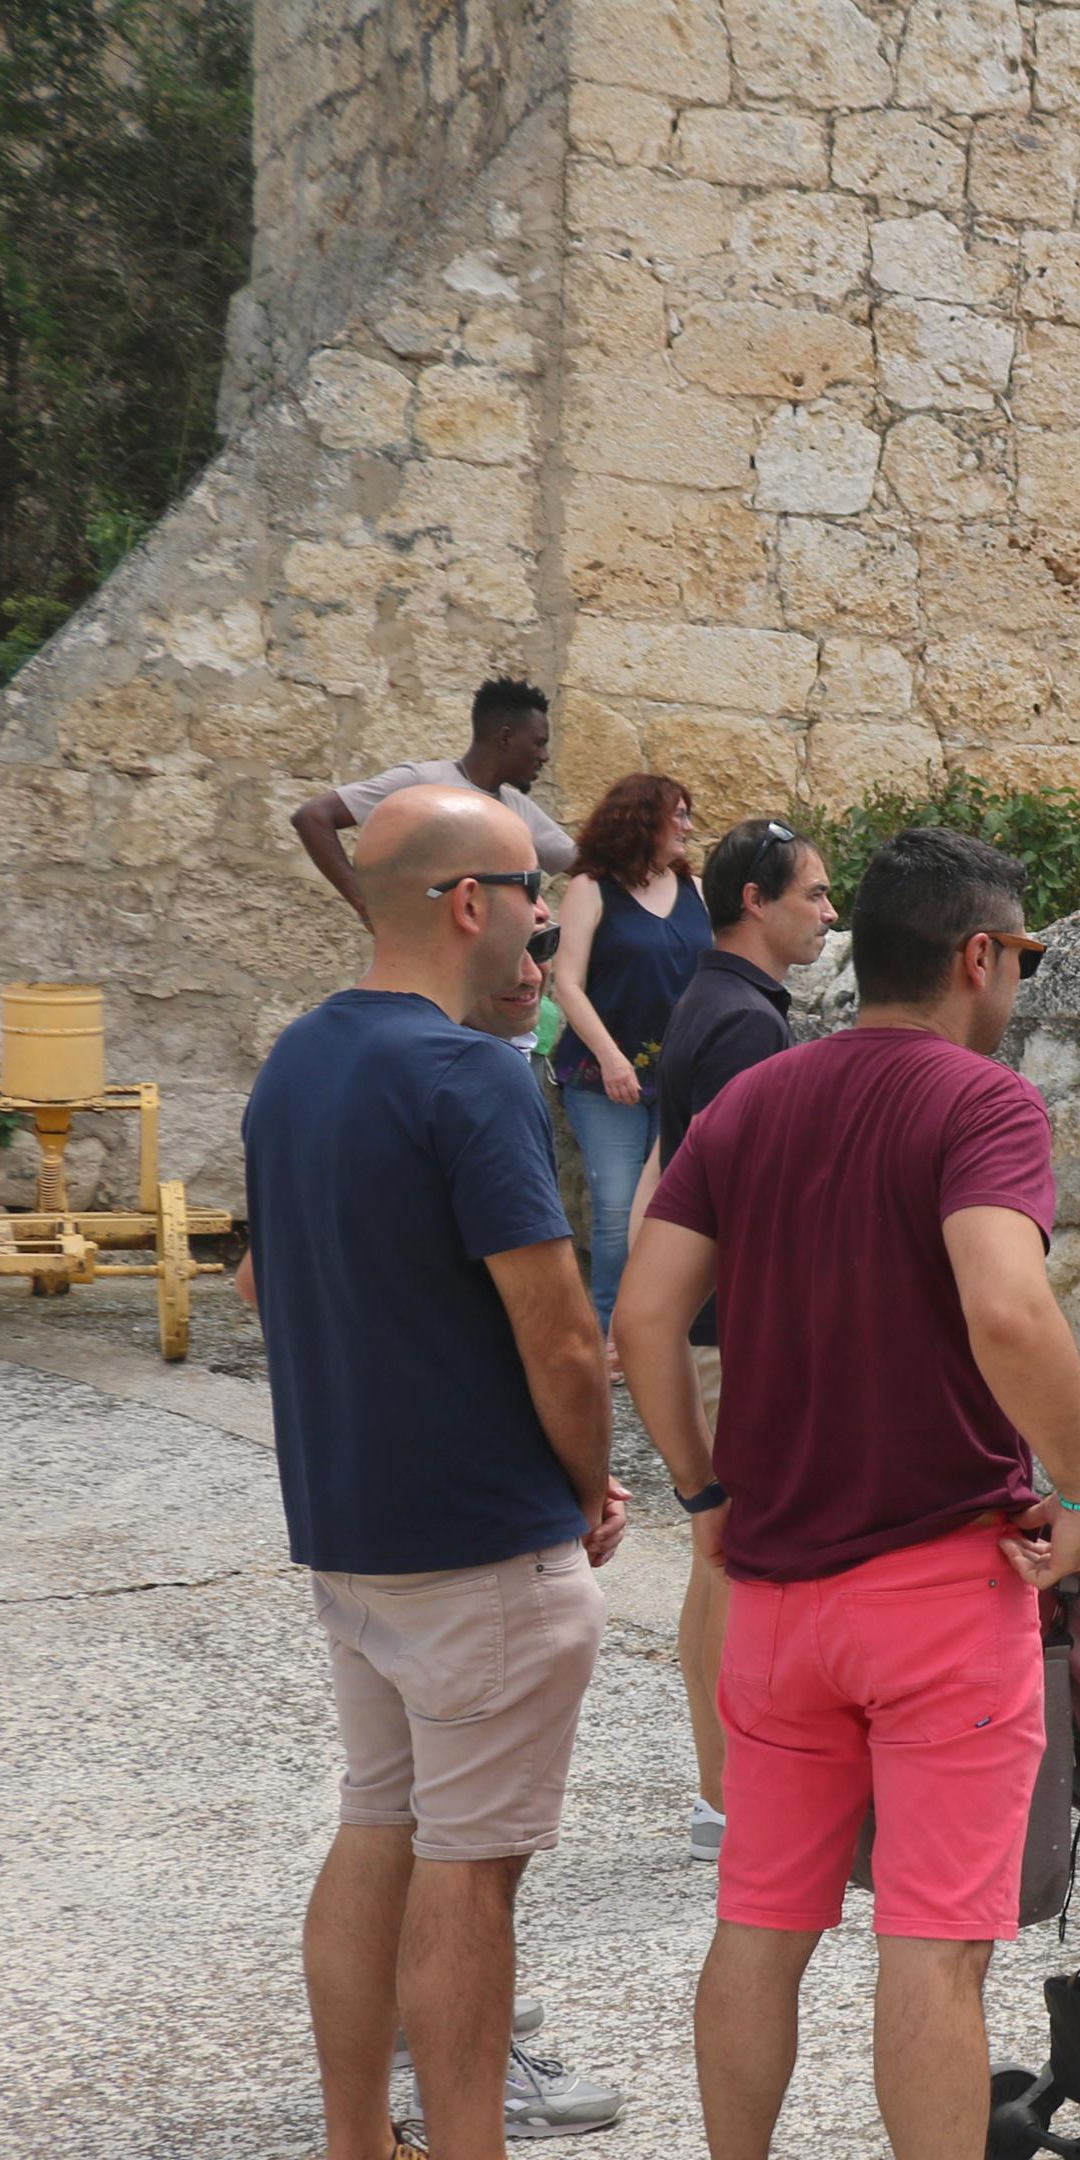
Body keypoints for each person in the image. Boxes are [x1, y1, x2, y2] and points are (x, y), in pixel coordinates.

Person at [615, 824, 1080, 2160]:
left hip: (775, 1594)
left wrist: (705, 1493)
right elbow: (1003, 1298)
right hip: (931, 1586)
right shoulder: (980, 1102)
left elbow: (644, 1311)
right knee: (936, 1938)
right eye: (1021, 956)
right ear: (978, 954)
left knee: (759, 1918)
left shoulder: (758, 1095)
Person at [245, 783, 664, 2160]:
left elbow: (266, 1287)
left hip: (351, 1527)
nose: (551, 925)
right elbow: (560, 1335)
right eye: (531, 896)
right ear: (465, 902)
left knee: (380, 1822)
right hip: (477, 1535)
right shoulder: (472, 1074)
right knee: (471, 1869)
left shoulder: (295, 1061)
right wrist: (591, 1484)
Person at [636, 817, 838, 1857]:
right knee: (726, 1555)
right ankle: (726, 1791)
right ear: (754, 900)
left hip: (712, 1322)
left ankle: (721, 1778)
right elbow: (746, 1203)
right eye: (810, 892)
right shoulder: (745, 1026)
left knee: (711, 1559)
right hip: (730, 1330)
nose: (827, 911)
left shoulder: (715, 1003)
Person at [543, 772, 709, 1340]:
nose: (688, 826)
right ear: (644, 821)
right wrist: (613, 1059)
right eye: (678, 815)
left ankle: (658, 1328)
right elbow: (566, 983)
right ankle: (612, 1336)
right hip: (601, 1076)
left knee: (669, 1209)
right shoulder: (592, 888)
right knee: (615, 1209)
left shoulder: (698, 891)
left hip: (680, 1074)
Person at [289, 677, 576, 920]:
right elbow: (313, 817)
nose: (544, 756)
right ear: (505, 738)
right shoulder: (422, 781)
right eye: (538, 743)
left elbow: (587, 864)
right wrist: (365, 907)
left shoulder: (518, 808)